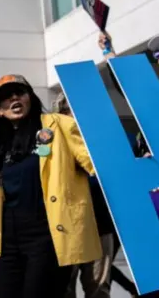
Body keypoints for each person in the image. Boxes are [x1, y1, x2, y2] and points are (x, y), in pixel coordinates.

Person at [0, 74, 102, 298]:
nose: (14, 98)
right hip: (8, 240)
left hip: (48, 236)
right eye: (5, 96)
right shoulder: (1, 140)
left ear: (30, 97)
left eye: (19, 92)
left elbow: (96, 163)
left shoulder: (60, 126)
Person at [54, 92, 117, 298]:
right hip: (66, 226)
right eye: (71, 110)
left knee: (98, 289)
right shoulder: (52, 143)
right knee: (63, 288)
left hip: (100, 225)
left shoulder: (103, 139)